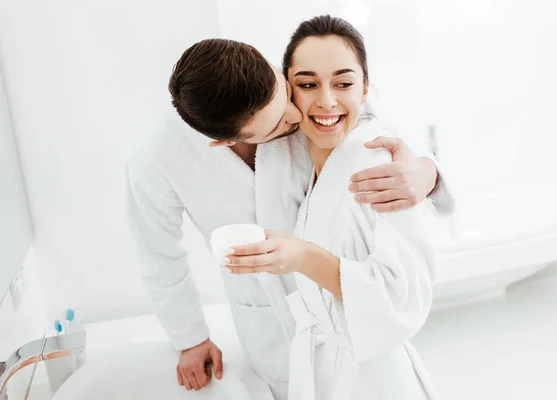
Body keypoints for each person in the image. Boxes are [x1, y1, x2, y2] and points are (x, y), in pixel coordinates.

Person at [126, 33, 453, 400]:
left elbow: (370, 124)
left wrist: (427, 172)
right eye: (279, 125)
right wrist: (189, 337)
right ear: (224, 141)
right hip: (266, 321)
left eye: (284, 95)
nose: (296, 115)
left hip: (346, 307)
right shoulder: (157, 156)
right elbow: (158, 251)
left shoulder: (291, 84)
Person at [224, 15, 438, 399]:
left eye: (343, 83)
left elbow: (402, 298)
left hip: (373, 378)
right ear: (288, 91)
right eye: (308, 84)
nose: (326, 100)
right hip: (319, 369)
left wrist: (304, 257)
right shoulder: (303, 160)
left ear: (366, 88)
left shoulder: (380, 165)